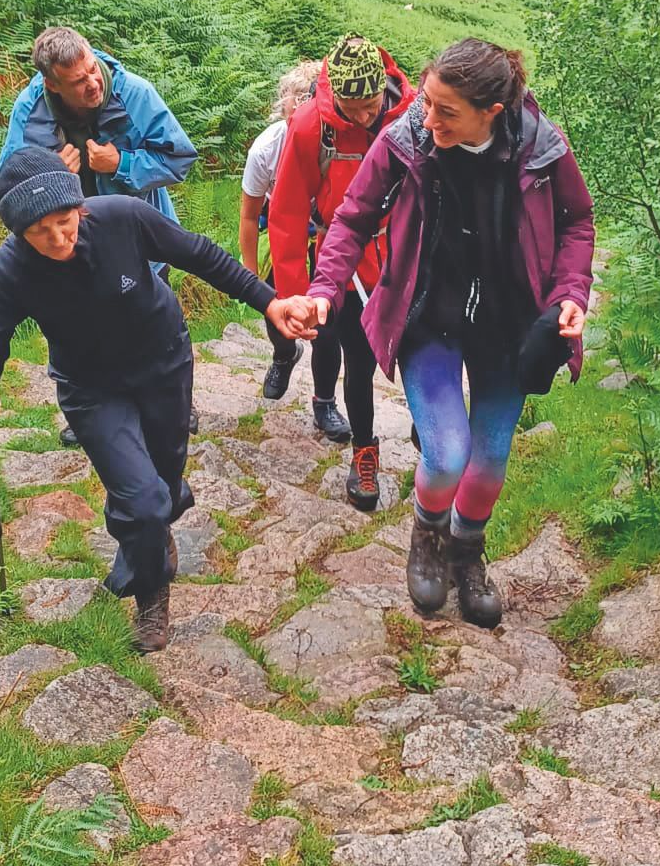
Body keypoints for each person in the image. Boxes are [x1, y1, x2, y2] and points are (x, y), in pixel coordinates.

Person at [0, 146, 313, 652]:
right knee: (144, 503)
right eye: (40, 232)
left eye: (64, 220)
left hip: (164, 363)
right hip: (90, 389)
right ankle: (151, 592)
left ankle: (149, 534)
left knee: (161, 487)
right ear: (18, 232)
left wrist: (270, 302)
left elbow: (200, 255)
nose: (58, 238)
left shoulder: (122, 217)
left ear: (79, 206)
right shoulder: (10, 271)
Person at [302, 38, 594, 626]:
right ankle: (427, 539)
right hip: (427, 319)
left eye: (445, 111)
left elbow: (577, 222)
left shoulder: (540, 146)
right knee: (446, 455)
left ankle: (467, 553)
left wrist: (569, 295)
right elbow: (352, 218)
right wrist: (322, 291)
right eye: (427, 102)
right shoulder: (407, 137)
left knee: (488, 463)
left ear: (491, 110)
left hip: (509, 327)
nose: (426, 117)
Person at [0, 27, 199, 444]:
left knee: (153, 320)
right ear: (51, 83)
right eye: (77, 80)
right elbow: (8, 185)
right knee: (78, 324)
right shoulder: (30, 109)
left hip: (136, 235)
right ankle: (88, 410)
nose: (92, 82)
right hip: (67, 242)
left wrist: (122, 163)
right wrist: (50, 177)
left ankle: (174, 400)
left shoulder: (135, 94)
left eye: (92, 69)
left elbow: (179, 158)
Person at [268, 34, 415, 510]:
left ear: (385, 90)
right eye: (353, 109)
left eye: (371, 107)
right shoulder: (313, 125)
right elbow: (287, 213)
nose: (363, 118)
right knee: (358, 358)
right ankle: (365, 452)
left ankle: (430, 427)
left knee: (423, 346)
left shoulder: (412, 113)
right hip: (343, 258)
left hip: (404, 255)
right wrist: (295, 297)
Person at [239, 60, 323, 398]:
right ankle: (285, 354)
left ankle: (324, 400)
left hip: (326, 228)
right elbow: (248, 214)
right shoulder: (265, 150)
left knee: (325, 317)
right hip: (280, 225)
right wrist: (250, 277)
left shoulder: (337, 143)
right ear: (284, 105)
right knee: (274, 303)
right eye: (294, 103)